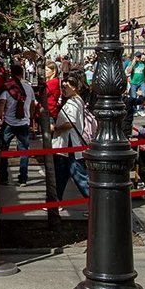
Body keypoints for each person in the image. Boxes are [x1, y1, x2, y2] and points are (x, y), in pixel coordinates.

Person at [51, 70, 90, 202]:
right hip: (67, 143)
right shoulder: (76, 100)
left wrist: (56, 128)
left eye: (66, 86)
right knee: (62, 174)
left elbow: (70, 123)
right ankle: (56, 200)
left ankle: (94, 202)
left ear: (74, 86)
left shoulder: (73, 103)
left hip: (69, 143)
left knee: (78, 175)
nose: (63, 89)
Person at [0, 64, 34, 186]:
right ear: (22, 73)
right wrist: (30, 118)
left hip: (9, 124)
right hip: (23, 124)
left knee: (4, 150)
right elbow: (33, 104)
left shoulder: (8, 88)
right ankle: (23, 178)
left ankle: (4, 177)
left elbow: (1, 104)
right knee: (24, 151)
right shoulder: (28, 88)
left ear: (11, 73)